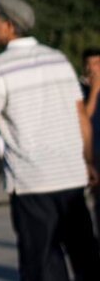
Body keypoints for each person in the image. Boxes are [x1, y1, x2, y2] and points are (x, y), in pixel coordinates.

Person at [0, 0, 100, 279]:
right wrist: (89, 162)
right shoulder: (58, 59)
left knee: (42, 265)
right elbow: (80, 117)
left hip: (32, 183)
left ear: (9, 26)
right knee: (86, 260)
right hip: (71, 179)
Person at [81, 47, 100, 234]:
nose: (94, 69)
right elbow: (83, 119)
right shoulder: (80, 90)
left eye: (98, 64)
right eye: (90, 64)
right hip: (93, 155)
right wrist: (94, 90)